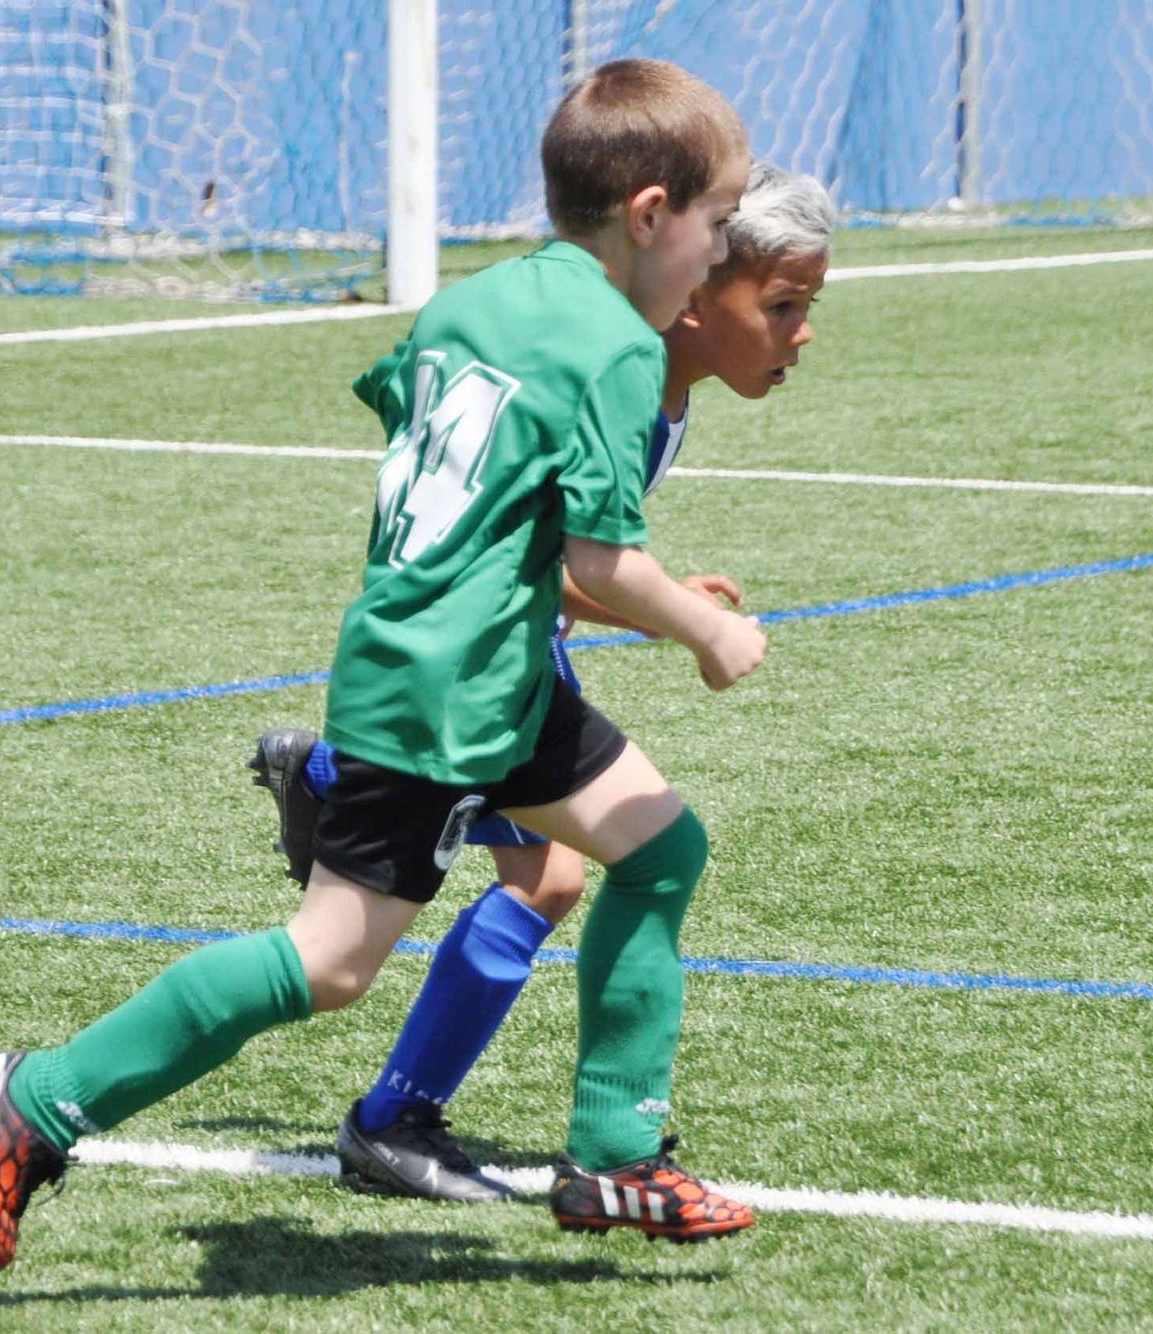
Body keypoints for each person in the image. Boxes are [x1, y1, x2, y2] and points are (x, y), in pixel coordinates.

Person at [0, 58, 764, 1271]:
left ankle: (615, 1159)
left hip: (470, 663)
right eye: (715, 224)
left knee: (657, 844)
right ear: (649, 215)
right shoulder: (617, 347)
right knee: (329, 960)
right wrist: (705, 630)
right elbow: (601, 551)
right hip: (451, 694)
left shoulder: (471, 303)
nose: (717, 253)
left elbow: (440, 455)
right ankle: (41, 1095)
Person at [249, 161, 836, 1205]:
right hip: (483, 652)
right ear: (695, 294)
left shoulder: (663, 378)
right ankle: (396, 1114)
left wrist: (658, 597)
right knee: (558, 877)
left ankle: (399, 1100)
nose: (801, 331)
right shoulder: (617, 363)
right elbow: (556, 563)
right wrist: (684, 619)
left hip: (509, 633)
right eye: (781, 303)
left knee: (560, 877)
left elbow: (566, 562)